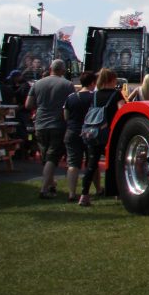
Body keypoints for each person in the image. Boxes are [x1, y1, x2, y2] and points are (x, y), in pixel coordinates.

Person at [25, 59, 75, 198]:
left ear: (50, 68)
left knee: (46, 157)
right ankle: (44, 189)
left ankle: (51, 184)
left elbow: (28, 104)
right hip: (58, 124)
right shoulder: (68, 85)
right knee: (52, 158)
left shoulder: (37, 84)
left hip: (40, 123)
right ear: (63, 70)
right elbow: (71, 105)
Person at [79, 68, 126, 207]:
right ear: (111, 80)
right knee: (114, 163)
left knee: (91, 165)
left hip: (94, 132)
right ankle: (117, 192)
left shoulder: (94, 95)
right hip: (110, 133)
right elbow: (122, 110)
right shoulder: (116, 95)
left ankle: (84, 194)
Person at [62, 71, 96, 202]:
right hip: (90, 131)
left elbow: (65, 115)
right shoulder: (94, 97)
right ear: (92, 83)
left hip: (72, 131)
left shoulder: (71, 97)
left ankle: (71, 193)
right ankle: (97, 188)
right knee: (91, 162)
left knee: (73, 163)